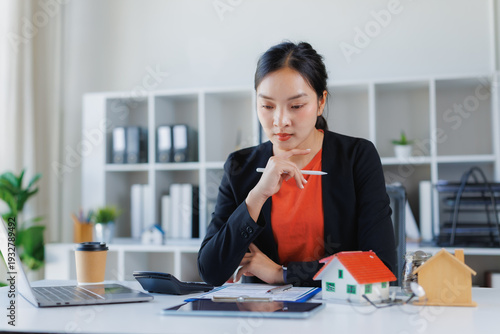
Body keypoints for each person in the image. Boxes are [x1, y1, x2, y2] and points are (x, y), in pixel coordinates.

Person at [198, 41, 396, 287]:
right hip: (263, 319)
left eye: (296, 106)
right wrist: (257, 196)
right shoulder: (240, 166)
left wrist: (281, 274)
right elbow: (210, 270)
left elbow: (381, 266)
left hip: (339, 314)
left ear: (321, 102)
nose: (280, 121)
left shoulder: (356, 157)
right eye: (267, 106)